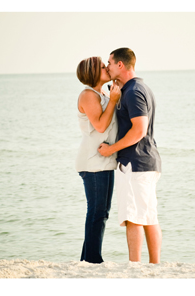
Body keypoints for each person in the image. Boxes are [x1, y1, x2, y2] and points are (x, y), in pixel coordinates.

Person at [98, 47, 163, 264]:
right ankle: (154, 266)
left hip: (135, 163)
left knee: (134, 217)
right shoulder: (137, 88)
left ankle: (135, 267)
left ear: (120, 65)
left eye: (109, 62)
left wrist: (110, 149)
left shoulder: (134, 91)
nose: (107, 66)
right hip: (144, 161)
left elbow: (139, 130)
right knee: (147, 216)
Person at [74, 56, 122, 264]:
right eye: (102, 67)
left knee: (101, 212)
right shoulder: (87, 95)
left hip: (104, 160)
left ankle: (88, 258)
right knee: (97, 212)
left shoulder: (101, 93)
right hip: (93, 162)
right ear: (93, 72)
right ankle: (93, 260)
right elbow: (101, 126)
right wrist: (113, 101)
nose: (106, 68)